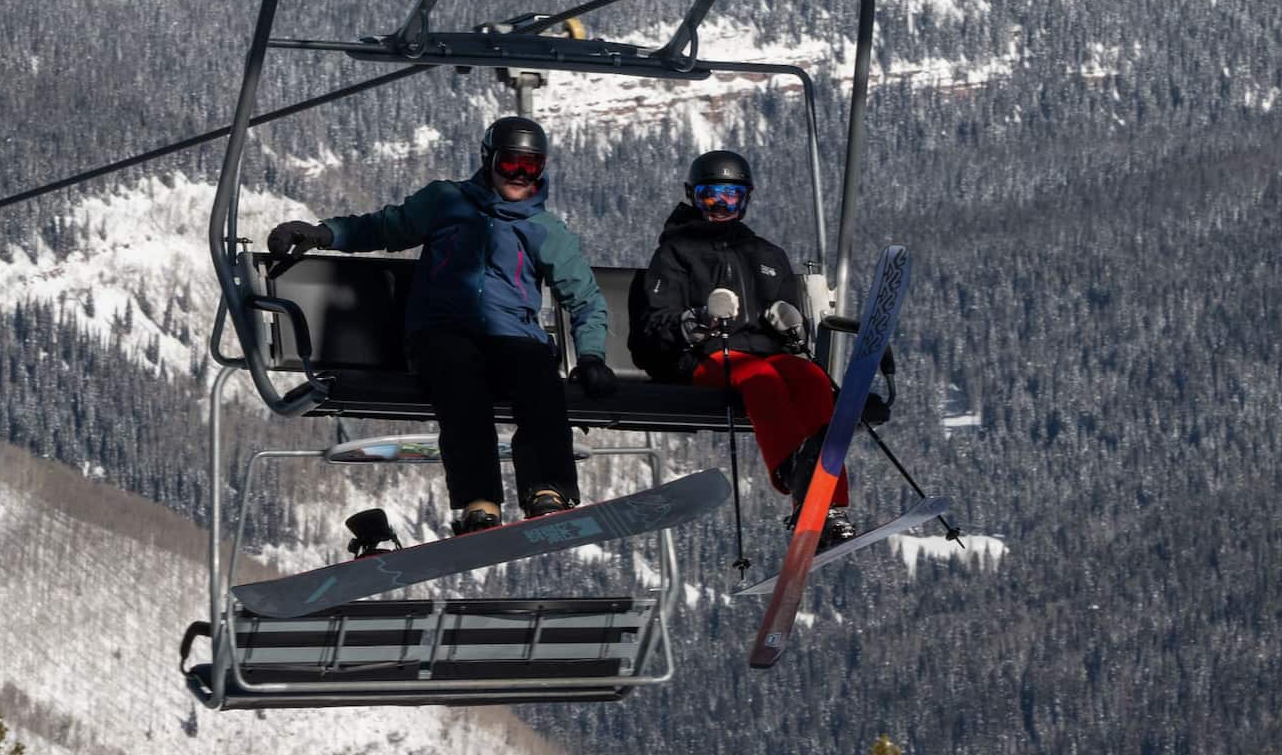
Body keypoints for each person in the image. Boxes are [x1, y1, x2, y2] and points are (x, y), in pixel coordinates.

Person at [266, 116, 618, 535]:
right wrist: (323, 234)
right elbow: (384, 227)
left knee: (540, 378)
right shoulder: (446, 202)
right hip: (442, 332)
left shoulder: (545, 230)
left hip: (513, 337)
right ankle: (479, 500)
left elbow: (585, 299)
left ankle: (549, 491)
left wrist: (592, 355)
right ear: (489, 161)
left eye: (531, 166)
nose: (521, 176)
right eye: (511, 165)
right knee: (460, 385)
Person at [632, 149, 856, 547]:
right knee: (761, 378)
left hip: (764, 353)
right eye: (710, 196)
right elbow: (654, 328)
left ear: (746, 199)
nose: (720, 206)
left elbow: (792, 335)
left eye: (730, 197)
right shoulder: (675, 254)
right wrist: (696, 321)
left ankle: (831, 504)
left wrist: (791, 327)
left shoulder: (768, 256)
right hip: (702, 357)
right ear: (692, 196)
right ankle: (794, 475)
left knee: (811, 378)